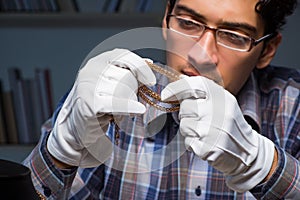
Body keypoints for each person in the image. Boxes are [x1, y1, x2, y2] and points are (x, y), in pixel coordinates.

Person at [23, 0, 300, 199]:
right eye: (188, 23)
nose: (200, 55)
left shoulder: (293, 106)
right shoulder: (105, 97)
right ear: (166, 19)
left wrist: (264, 166)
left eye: (234, 36)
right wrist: (59, 154)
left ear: (267, 50)